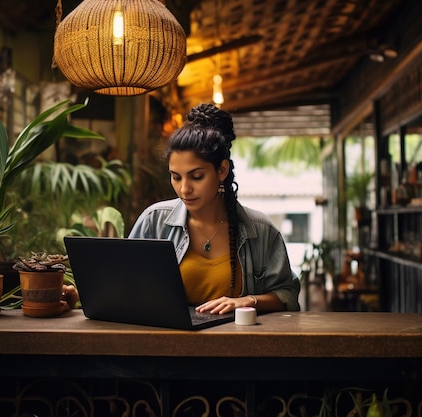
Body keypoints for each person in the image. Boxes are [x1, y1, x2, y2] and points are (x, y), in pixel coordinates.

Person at [128, 103, 300, 314]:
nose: (184, 189)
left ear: (222, 170)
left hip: (238, 344)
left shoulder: (260, 230)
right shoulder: (154, 221)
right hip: (167, 343)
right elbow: (125, 284)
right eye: (175, 177)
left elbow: (287, 294)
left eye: (196, 176)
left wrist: (248, 301)